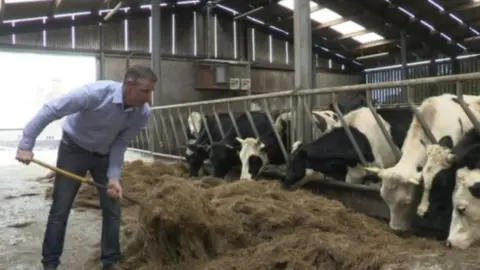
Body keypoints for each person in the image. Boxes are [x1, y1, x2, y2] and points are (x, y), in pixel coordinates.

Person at [15, 64, 157, 270]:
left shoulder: (142, 113)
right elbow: (51, 110)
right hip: (73, 149)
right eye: (145, 91)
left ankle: (110, 262)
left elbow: (120, 144)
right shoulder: (95, 94)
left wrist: (113, 177)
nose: (149, 98)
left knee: (112, 207)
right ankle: (50, 264)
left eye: (151, 91)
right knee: (61, 209)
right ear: (129, 85)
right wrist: (26, 144)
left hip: (105, 154)